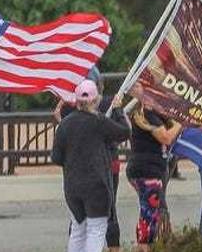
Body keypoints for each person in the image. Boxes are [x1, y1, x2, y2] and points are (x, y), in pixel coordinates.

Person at [51, 79, 130, 252]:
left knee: (78, 230)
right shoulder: (99, 121)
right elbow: (124, 132)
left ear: (76, 101)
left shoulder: (64, 125)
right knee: (96, 230)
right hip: (97, 187)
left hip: (72, 187)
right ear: (96, 100)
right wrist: (117, 109)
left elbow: (56, 158)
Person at [126, 93, 182, 252]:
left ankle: (146, 243)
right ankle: (144, 246)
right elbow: (166, 137)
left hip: (149, 169)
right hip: (147, 170)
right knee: (149, 214)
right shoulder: (147, 115)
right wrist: (180, 124)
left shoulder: (151, 114)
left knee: (148, 212)